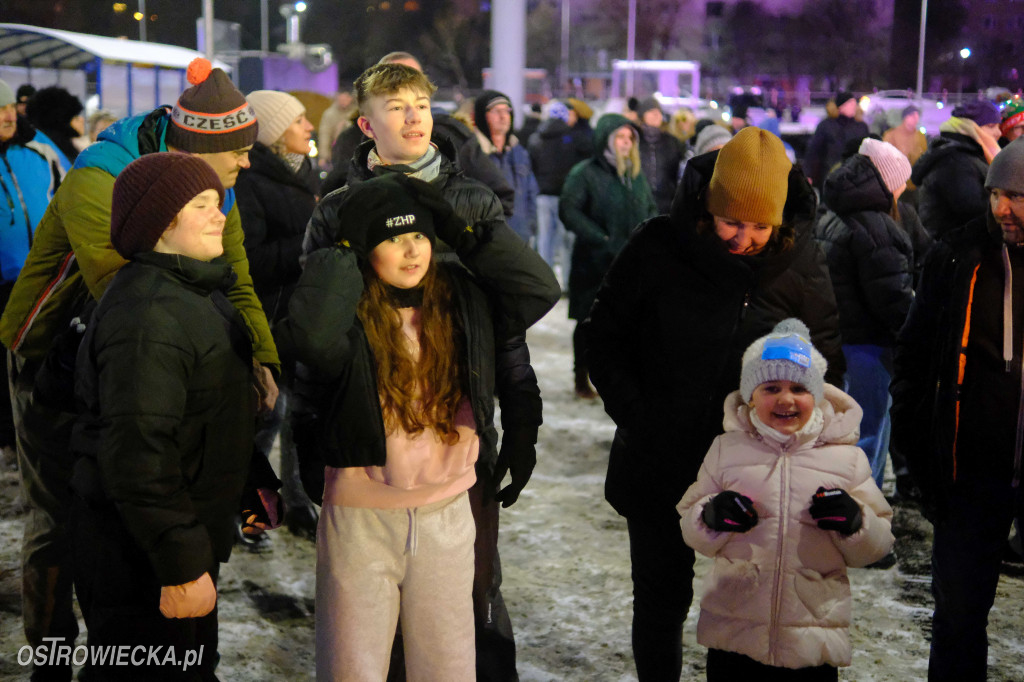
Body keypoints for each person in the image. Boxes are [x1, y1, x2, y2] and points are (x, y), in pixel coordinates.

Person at [0, 57, 278, 682]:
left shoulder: (210, 187)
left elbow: (232, 279)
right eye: (236, 151)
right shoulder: (102, 180)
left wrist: (260, 357)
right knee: (62, 517)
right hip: (50, 353)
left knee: (125, 494)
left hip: (129, 357)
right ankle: (51, 656)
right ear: (198, 149)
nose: (247, 164)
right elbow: (130, 295)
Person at [298, 62, 558, 682]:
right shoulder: (338, 208)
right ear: (367, 124)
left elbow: (507, 318)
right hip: (372, 452)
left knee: (469, 606)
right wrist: (308, 441)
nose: (414, 117)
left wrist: (519, 417)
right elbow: (314, 335)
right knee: (371, 634)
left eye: (421, 104)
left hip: (457, 440)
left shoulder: (468, 194)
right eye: (397, 106)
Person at [583, 127, 844, 681]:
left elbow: (824, 366)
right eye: (731, 221)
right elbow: (603, 337)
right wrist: (640, 417)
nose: (743, 238)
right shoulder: (658, 245)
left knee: (744, 609)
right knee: (660, 599)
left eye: (758, 226)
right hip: (660, 458)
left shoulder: (801, 264)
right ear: (708, 207)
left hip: (754, 472)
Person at [70, 152, 283, 681]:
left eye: (218, 201)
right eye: (202, 205)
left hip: (178, 538)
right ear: (161, 224)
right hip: (141, 557)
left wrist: (248, 486)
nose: (219, 215)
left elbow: (208, 416)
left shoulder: (194, 293)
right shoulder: (148, 317)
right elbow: (139, 454)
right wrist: (181, 560)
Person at [678, 318, 894, 680]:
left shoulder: (846, 458)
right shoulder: (726, 449)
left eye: (799, 387)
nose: (786, 399)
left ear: (818, 395)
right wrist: (710, 516)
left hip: (812, 636)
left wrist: (857, 522)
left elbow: (878, 544)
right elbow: (689, 522)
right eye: (771, 387)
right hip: (736, 632)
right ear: (750, 397)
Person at [890, 136, 1024, 682]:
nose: (1000, 209)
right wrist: (921, 459)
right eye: (995, 194)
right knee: (959, 619)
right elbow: (915, 360)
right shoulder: (955, 257)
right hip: (968, 477)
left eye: (1016, 196)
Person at [815, 138, 927, 519]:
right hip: (869, 346)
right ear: (889, 182)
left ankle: (846, 512)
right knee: (868, 438)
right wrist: (915, 335)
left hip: (841, 340)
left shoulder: (837, 213)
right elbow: (892, 299)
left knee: (846, 435)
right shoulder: (877, 226)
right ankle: (859, 520)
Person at [236, 89, 321, 542]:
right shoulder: (249, 182)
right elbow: (249, 258)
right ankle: (249, 509)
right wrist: (310, 245)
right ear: (272, 134)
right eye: (298, 121)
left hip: (303, 312)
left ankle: (297, 502)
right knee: (268, 414)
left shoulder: (306, 172)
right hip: (269, 315)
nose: (308, 127)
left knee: (299, 414)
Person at [321, 52, 514, 217]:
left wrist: (455, 233)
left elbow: (499, 199)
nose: (412, 117)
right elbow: (335, 207)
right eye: (392, 81)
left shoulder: (454, 136)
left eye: (420, 104)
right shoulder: (352, 140)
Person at [560, 114, 656, 399]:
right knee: (589, 322)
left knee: (625, 324)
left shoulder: (635, 177)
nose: (626, 144)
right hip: (594, 262)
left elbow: (650, 208)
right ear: (607, 139)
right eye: (621, 138)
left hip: (630, 263)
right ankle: (581, 377)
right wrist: (599, 238)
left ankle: (615, 377)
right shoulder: (585, 173)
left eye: (630, 139)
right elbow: (569, 209)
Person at [0, 78, 65, 470]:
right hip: (1, 286)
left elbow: (72, 195)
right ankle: (9, 438)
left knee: (42, 364)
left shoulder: (39, 149)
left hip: (45, 281)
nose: (7, 114)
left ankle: (36, 438)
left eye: (9, 106)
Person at [911, 99, 1002, 240]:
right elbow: (973, 210)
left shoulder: (968, 155)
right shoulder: (955, 160)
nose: (998, 132)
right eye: (991, 126)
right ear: (970, 127)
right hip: (953, 249)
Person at [527, 99, 591, 287]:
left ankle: (544, 281)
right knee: (566, 241)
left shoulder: (536, 138)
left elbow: (533, 167)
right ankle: (567, 281)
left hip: (543, 195)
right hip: (566, 196)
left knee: (545, 239)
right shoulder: (572, 138)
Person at [473, 89, 539, 244]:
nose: (503, 117)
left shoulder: (519, 152)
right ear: (483, 116)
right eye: (496, 111)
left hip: (520, 237)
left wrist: (530, 227)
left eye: (507, 111)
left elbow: (531, 192)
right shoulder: (474, 155)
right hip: (487, 242)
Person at [802, 91, 869, 187]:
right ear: (840, 106)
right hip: (830, 177)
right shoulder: (826, 126)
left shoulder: (861, 127)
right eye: (849, 103)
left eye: (854, 103)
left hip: (855, 179)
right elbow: (814, 152)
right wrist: (808, 174)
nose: (854, 106)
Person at [633, 98, 684, 215]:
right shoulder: (634, 140)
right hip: (639, 203)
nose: (656, 114)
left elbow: (679, 174)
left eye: (658, 112)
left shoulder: (673, 142)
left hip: (667, 204)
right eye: (651, 111)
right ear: (642, 116)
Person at [24, 86, 85, 167]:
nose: (82, 120)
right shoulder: (60, 154)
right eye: (75, 117)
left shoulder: (40, 149)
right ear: (62, 121)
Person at [317, 89, 356, 170]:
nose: (344, 101)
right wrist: (324, 156)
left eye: (347, 98)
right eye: (342, 98)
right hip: (336, 151)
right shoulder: (329, 114)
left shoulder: (355, 112)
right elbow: (325, 135)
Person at [882, 104, 927, 168]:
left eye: (917, 116)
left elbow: (923, 155)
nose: (916, 119)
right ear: (905, 117)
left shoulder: (920, 136)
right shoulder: (891, 135)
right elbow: (885, 156)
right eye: (912, 116)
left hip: (915, 173)